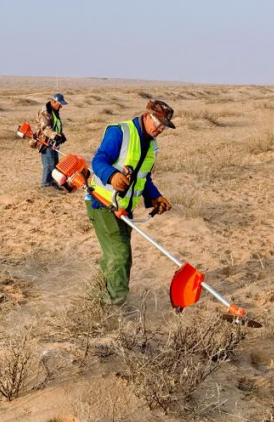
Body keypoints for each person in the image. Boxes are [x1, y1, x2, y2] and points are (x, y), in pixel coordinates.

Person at [86, 99, 175, 305]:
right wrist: (111, 176)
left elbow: (143, 177)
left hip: (124, 207)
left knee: (114, 255)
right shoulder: (120, 132)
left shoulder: (151, 145)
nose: (160, 129)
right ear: (146, 116)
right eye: (158, 123)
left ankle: (98, 297)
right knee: (120, 255)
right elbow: (98, 160)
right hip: (103, 203)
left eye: (164, 126)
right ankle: (115, 306)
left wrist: (155, 196)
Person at [35, 93, 67, 189]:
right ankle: (46, 185)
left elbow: (55, 125)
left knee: (55, 163)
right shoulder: (45, 111)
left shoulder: (54, 111)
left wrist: (61, 135)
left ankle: (53, 183)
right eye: (60, 104)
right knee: (49, 164)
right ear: (53, 102)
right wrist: (55, 136)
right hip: (46, 142)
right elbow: (45, 128)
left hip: (54, 142)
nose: (61, 106)